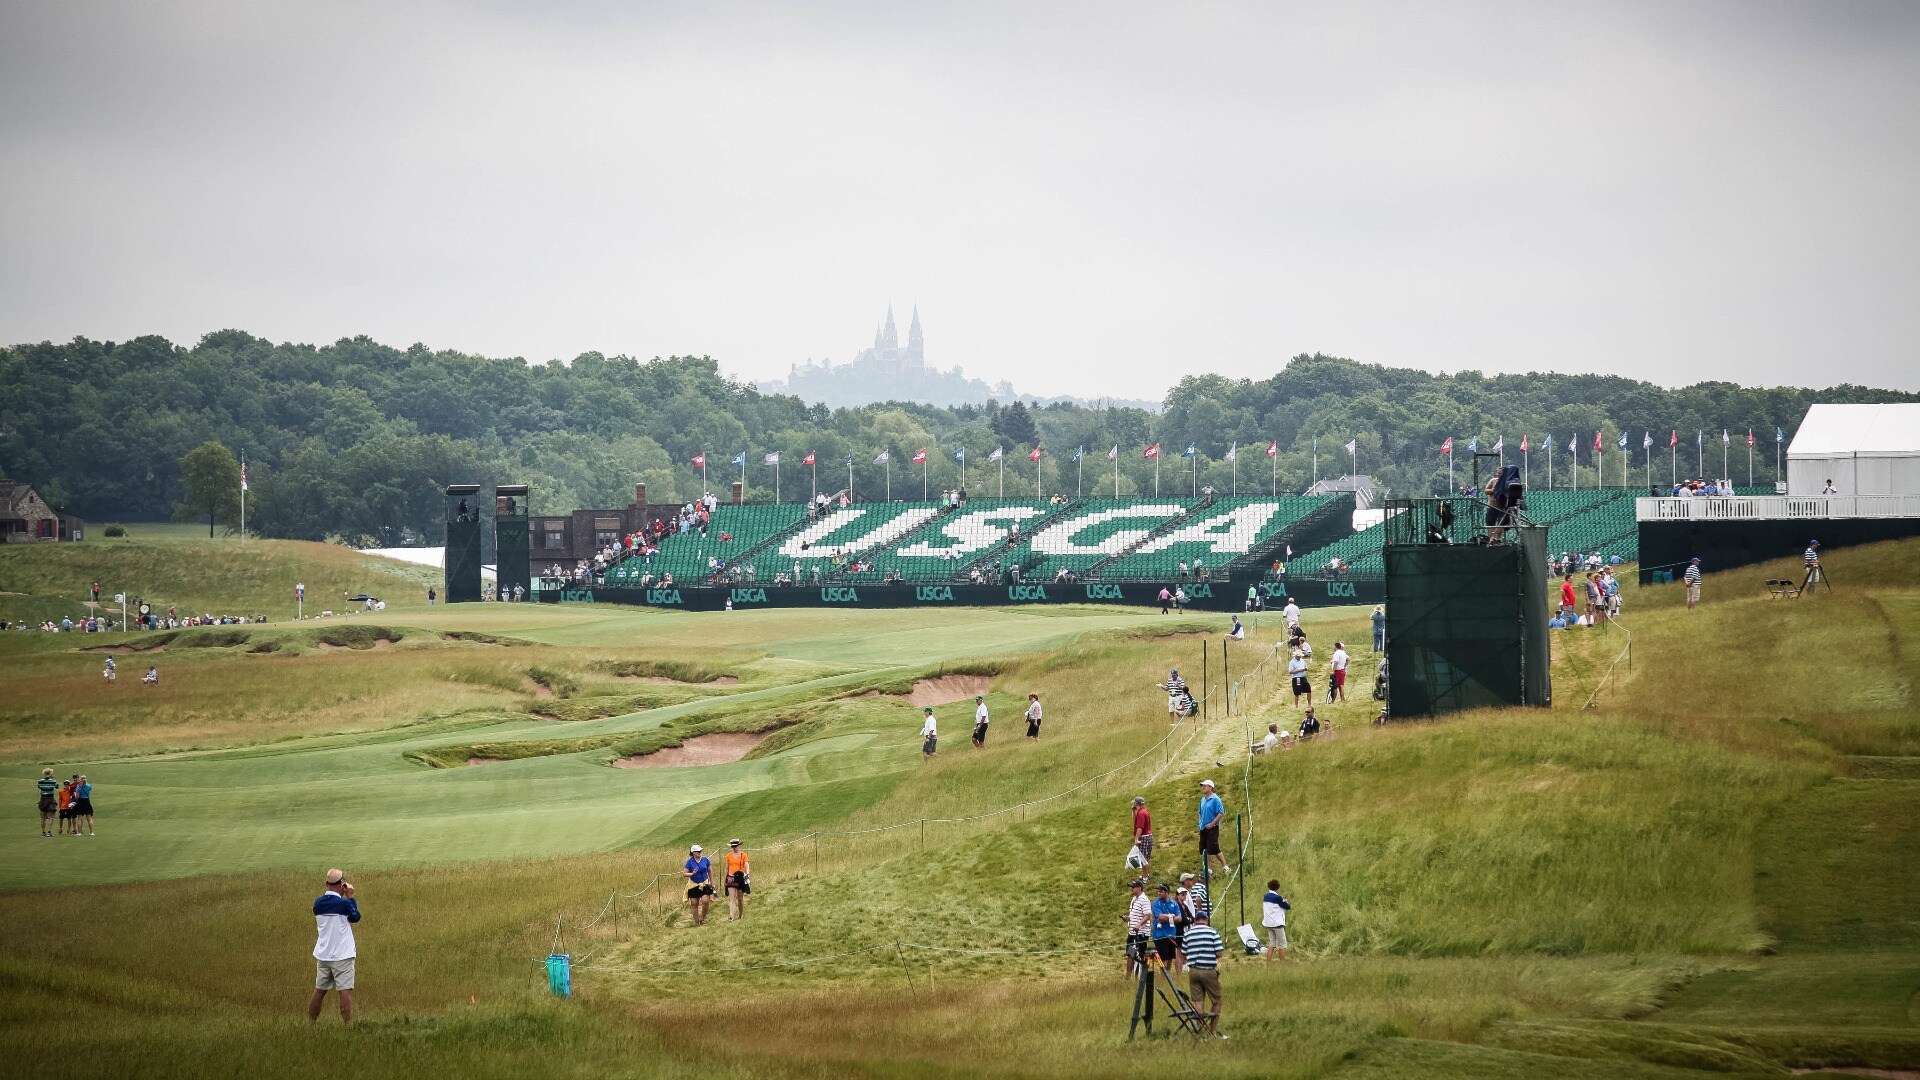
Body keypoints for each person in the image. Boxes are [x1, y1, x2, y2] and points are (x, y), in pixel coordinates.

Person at [310, 869, 360, 1025]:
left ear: (327, 884)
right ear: (342, 884)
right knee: (344, 991)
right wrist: (350, 897)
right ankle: (348, 1026)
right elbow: (355, 917)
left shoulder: (318, 904)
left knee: (319, 990)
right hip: (342, 955)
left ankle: (311, 1023)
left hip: (323, 955)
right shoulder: (344, 904)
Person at [1182, 911, 1226, 1036]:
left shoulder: (1188, 934)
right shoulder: (1212, 932)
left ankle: (1200, 1031)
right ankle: (1212, 1031)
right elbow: (1219, 953)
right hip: (1208, 970)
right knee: (1216, 1000)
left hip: (1193, 971)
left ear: (1195, 920)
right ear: (1206, 920)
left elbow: (1184, 954)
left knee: (1198, 1002)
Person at [1198, 779, 1228, 878]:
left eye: (1205, 786)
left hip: (1213, 828)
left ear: (1210, 787)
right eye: (1203, 786)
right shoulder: (1202, 799)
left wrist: (1212, 824)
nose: (1203, 787)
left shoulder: (1216, 799)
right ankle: (1209, 869)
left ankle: (1225, 867)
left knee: (1214, 848)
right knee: (1205, 849)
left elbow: (1220, 813)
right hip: (1203, 828)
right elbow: (1200, 812)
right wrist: (1200, 822)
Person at [1123, 878, 1152, 977]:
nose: (1132, 889)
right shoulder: (1134, 899)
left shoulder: (1144, 899)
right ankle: (1128, 976)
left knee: (1138, 955)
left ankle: (1139, 977)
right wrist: (1128, 918)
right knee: (1130, 953)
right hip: (1132, 932)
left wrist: (1139, 924)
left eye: (1133, 887)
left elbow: (1147, 915)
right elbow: (1136, 915)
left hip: (1140, 933)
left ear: (1139, 888)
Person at [1150, 883, 1183, 968]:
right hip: (1160, 935)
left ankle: (1167, 979)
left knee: (1170, 958)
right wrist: (1171, 916)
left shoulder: (1174, 903)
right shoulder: (1156, 903)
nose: (1159, 893)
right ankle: (1163, 978)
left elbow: (1179, 918)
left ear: (1166, 892)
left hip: (1172, 934)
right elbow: (1160, 917)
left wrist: (1167, 918)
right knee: (1163, 958)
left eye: (1161, 891)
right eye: (1158, 891)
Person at [683, 844, 715, 925]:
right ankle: (697, 922)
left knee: (705, 901)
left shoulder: (705, 859)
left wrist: (712, 882)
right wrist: (692, 874)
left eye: (700, 851)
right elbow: (684, 874)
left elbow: (710, 871)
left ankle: (702, 919)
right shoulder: (689, 862)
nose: (700, 852)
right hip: (693, 885)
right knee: (694, 903)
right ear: (693, 853)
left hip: (704, 883)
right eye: (698, 851)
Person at [1261, 880, 1291, 961]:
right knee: (1282, 945)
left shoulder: (1265, 896)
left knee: (1272, 944)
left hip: (1268, 924)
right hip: (1277, 924)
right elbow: (1287, 907)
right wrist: (1285, 901)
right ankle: (1282, 964)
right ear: (1278, 887)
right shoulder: (1278, 897)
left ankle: (1268, 964)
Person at [723, 839, 751, 922]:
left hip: (740, 877)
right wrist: (725, 879)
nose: (734, 848)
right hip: (731, 877)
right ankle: (731, 916)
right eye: (733, 846)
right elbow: (726, 868)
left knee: (740, 898)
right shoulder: (728, 856)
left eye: (735, 846)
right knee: (732, 898)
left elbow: (746, 865)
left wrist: (747, 874)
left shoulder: (744, 855)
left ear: (738, 846)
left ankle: (740, 914)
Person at [1131, 796, 1154, 871]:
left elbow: (1140, 828)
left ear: (1136, 804)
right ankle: (1145, 876)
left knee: (1144, 859)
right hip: (1147, 837)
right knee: (1144, 858)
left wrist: (1136, 839)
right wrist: (1134, 811)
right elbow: (1135, 820)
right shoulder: (1144, 811)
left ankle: (1145, 878)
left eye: (1134, 803)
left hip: (1144, 837)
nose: (1133, 804)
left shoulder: (1141, 813)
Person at [38, 768, 58, 836]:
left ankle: (43, 832)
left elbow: (39, 787)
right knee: (51, 817)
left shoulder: (40, 781)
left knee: (43, 817)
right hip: (50, 799)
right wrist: (52, 779)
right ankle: (49, 832)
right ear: (50, 774)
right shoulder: (53, 781)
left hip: (43, 799)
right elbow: (57, 786)